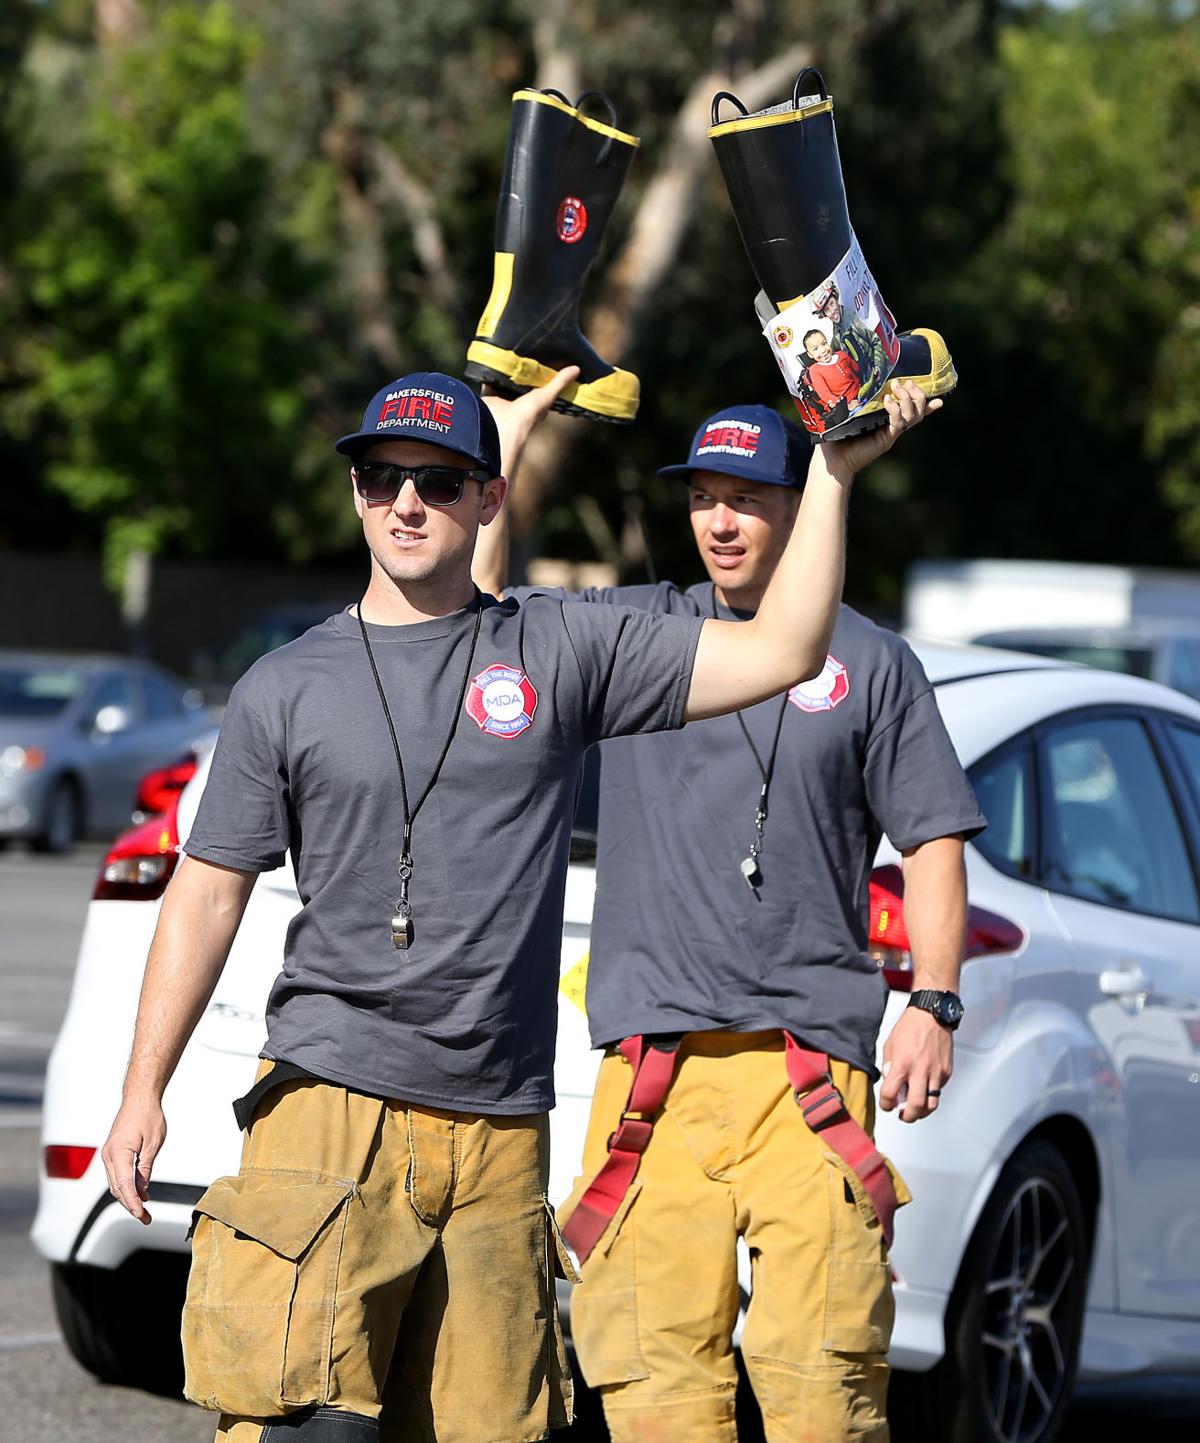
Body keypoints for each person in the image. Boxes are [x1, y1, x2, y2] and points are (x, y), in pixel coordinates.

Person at [100, 368, 937, 1443]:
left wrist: (829, 473)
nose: (406, 502)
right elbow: (207, 894)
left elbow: (785, 651)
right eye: (381, 478)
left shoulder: (558, 650)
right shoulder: (286, 686)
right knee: (302, 1428)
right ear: (355, 493)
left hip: (501, 1131)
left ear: (488, 501)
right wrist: (142, 1087)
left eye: (441, 481)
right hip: (328, 1101)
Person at [474, 391, 984, 1443]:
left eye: (746, 499)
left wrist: (935, 1000)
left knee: (822, 1388)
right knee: (655, 1390)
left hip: (809, 1077)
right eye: (703, 499)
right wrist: (506, 439)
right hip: (651, 1080)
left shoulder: (874, 663)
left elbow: (933, 836)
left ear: (802, 506)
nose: (719, 522)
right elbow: (472, 618)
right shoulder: (631, 637)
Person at [802, 323, 864, 417]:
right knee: (862, 412)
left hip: (862, 391)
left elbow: (857, 369)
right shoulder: (815, 370)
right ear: (810, 354)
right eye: (815, 349)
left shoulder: (842, 355)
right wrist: (847, 406)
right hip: (846, 404)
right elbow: (825, 395)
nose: (823, 350)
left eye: (824, 343)